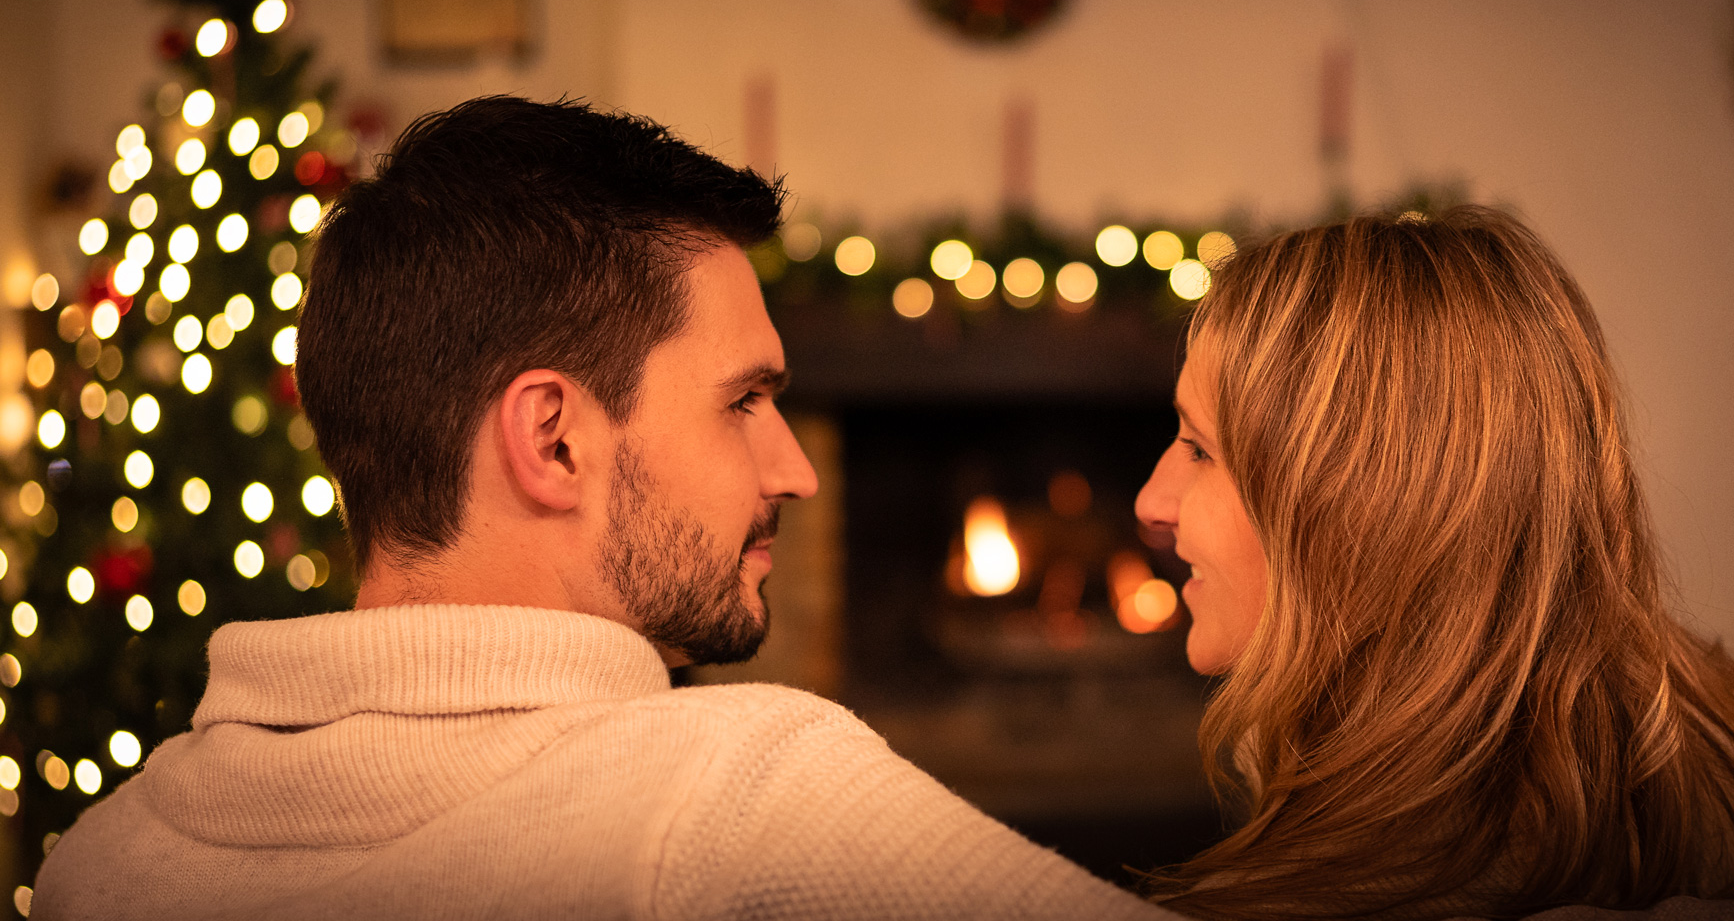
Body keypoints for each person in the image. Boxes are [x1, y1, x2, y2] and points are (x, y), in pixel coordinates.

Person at [36, 96, 1170, 920]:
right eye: (745, 402)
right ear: (553, 439)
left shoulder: (100, 861)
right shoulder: (748, 803)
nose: (795, 470)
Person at [1133, 205, 1734, 919]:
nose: (1151, 502)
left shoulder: (1348, 895)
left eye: (1201, 449)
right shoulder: (1683, 791)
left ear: (1356, 508)